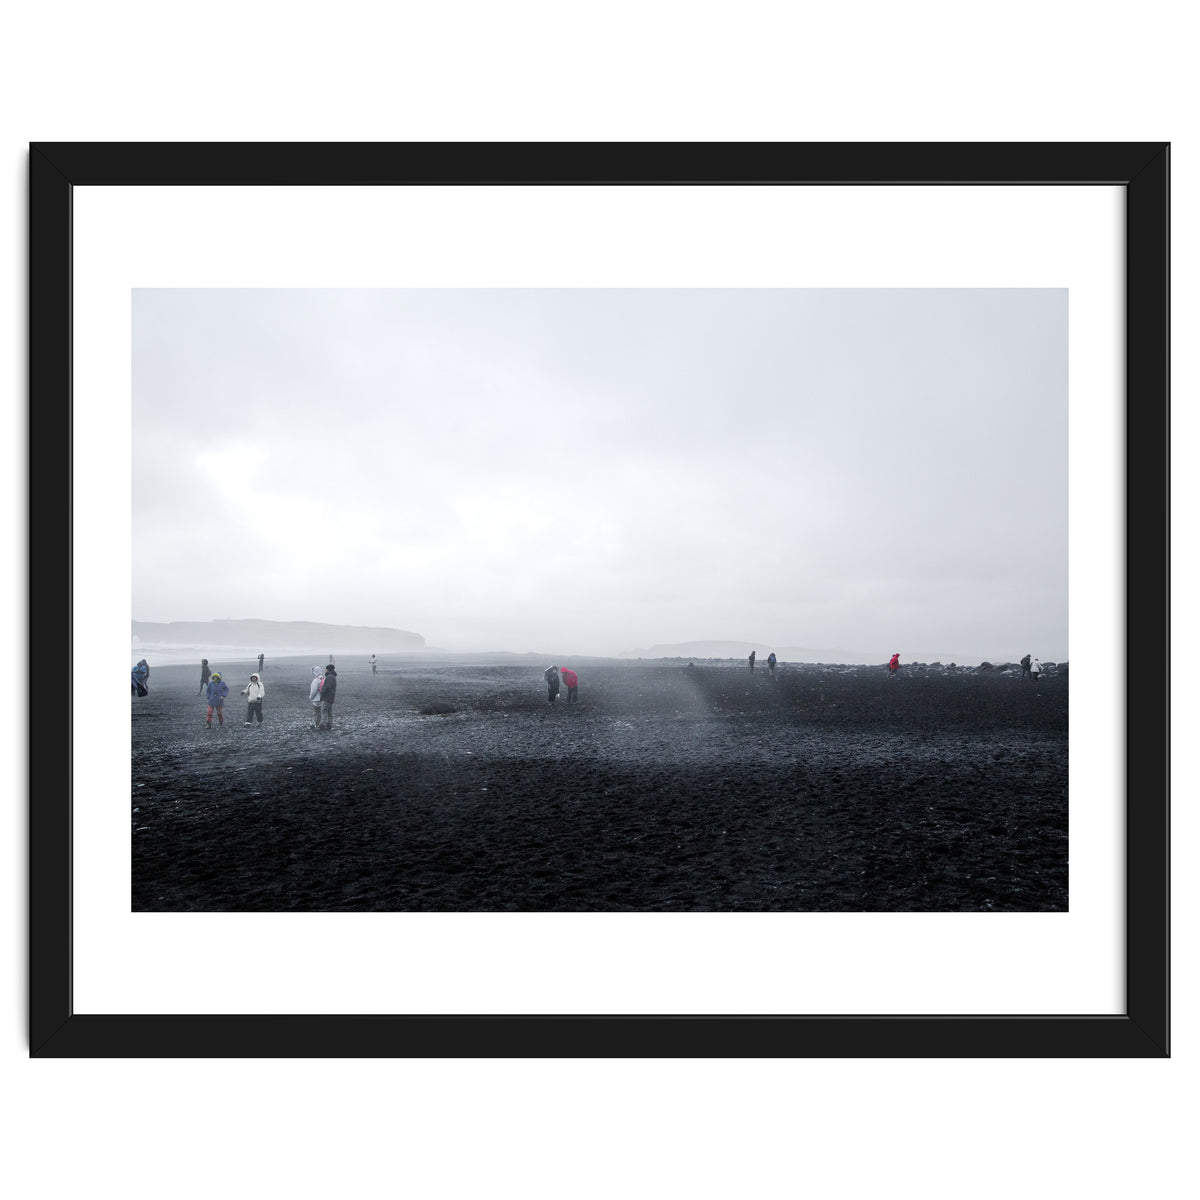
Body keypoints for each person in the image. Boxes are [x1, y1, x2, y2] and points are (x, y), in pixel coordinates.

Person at [319, 663, 337, 729]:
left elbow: (327, 687)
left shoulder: (330, 677)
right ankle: (329, 724)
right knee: (329, 710)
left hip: (327, 697)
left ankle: (322, 724)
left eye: (326, 669)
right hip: (331, 697)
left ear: (328, 669)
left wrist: (322, 691)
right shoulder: (333, 676)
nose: (325, 670)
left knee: (324, 710)